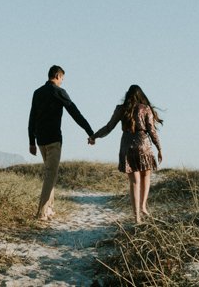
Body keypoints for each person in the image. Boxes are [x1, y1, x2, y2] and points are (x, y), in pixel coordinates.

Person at [27, 64, 96, 221]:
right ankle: (42, 212)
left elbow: (31, 117)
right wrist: (90, 132)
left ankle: (49, 208)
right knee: (50, 174)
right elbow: (75, 112)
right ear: (57, 76)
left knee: (51, 172)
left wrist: (31, 141)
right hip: (53, 139)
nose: (62, 82)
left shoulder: (37, 93)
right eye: (62, 79)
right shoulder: (58, 91)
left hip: (40, 140)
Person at [89, 84, 163, 222]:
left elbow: (109, 127)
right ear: (141, 95)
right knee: (146, 176)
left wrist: (94, 136)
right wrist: (159, 148)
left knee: (134, 182)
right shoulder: (146, 109)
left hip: (127, 145)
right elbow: (151, 130)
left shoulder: (121, 109)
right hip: (143, 144)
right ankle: (143, 207)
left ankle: (137, 217)